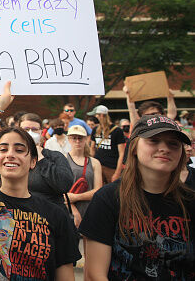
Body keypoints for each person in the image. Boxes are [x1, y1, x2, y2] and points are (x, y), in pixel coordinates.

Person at [0, 83, 80, 280]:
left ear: (33, 161)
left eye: (19, 150)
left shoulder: (56, 215)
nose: (10, 154)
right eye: (3, 149)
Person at [79, 115, 195, 280]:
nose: (165, 148)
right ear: (133, 147)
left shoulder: (190, 200)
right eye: (153, 140)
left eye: (173, 143)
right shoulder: (108, 198)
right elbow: (95, 274)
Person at [21, 113, 75, 211]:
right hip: (20, 217)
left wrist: (41, 158)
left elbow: (64, 185)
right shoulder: (11, 157)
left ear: (41, 132)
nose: (30, 133)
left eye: (34, 129)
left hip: (50, 215)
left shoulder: (55, 156)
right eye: (25, 129)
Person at [65, 125, 103, 228]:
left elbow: (98, 190)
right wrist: (73, 210)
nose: (77, 141)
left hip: (89, 209)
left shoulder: (94, 162)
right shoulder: (63, 159)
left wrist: (75, 197)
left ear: (86, 139)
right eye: (74, 138)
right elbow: (60, 191)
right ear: (68, 139)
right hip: (68, 209)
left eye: (80, 138)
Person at [88, 105, 126, 184]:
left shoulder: (117, 130)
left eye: (96, 115)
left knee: (113, 192)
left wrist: (117, 173)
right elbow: (92, 148)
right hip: (98, 166)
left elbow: (122, 153)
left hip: (112, 167)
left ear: (101, 115)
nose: (96, 117)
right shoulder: (95, 129)